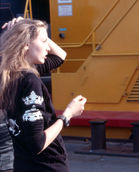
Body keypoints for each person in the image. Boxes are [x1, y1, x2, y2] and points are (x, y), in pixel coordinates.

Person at [0, 17, 87, 172]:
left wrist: (29, 24)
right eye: (44, 41)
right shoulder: (29, 80)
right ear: (26, 44)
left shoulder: (10, 75)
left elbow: (60, 56)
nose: (48, 47)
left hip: (22, 164)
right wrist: (67, 115)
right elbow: (37, 144)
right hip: (46, 166)